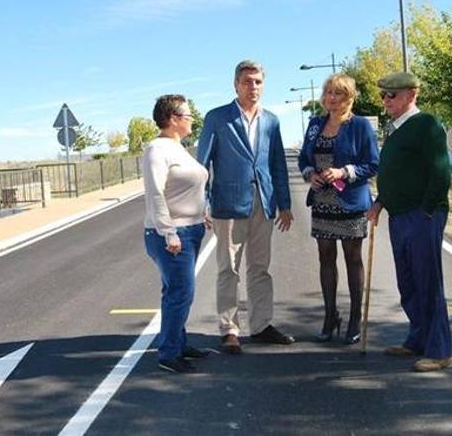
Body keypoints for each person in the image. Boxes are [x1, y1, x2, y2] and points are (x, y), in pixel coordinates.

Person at [196, 60, 294, 354]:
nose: (253, 87)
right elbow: (203, 164)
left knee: (260, 268)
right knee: (228, 270)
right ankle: (229, 329)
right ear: (236, 84)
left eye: (258, 82)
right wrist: (202, 203)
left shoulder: (272, 120)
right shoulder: (217, 118)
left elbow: (277, 164)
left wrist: (285, 204)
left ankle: (261, 325)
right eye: (247, 81)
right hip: (227, 205)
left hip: (263, 203)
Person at [367, 71, 452, 372]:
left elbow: (441, 171)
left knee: (428, 281)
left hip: (421, 215)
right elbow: (396, 173)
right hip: (399, 215)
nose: (386, 100)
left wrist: (428, 210)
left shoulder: (425, 124)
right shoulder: (396, 129)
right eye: (384, 95)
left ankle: (439, 349)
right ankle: (417, 338)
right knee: (408, 281)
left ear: (411, 95)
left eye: (392, 95)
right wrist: (380, 203)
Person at [298, 73, 378, 344]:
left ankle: (355, 317)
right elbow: (303, 158)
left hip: (351, 202)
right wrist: (311, 173)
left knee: (352, 258)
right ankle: (330, 316)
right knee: (325, 257)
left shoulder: (360, 126)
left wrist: (343, 171)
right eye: (329, 92)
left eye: (338, 93)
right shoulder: (315, 124)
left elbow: (373, 164)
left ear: (349, 97)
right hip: (322, 201)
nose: (332, 98)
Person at [142, 94, 211, 373]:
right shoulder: (157, 150)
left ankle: (179, 343)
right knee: (181, 292)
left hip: (192, 229)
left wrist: (201, 212)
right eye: (188, 115)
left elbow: (187, 189)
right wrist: (168, 232)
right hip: (171, 234)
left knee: (177, 291)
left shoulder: (179, 148)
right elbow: (156, 194)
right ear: (173, 119)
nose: (192, 119)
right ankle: (168, 353)